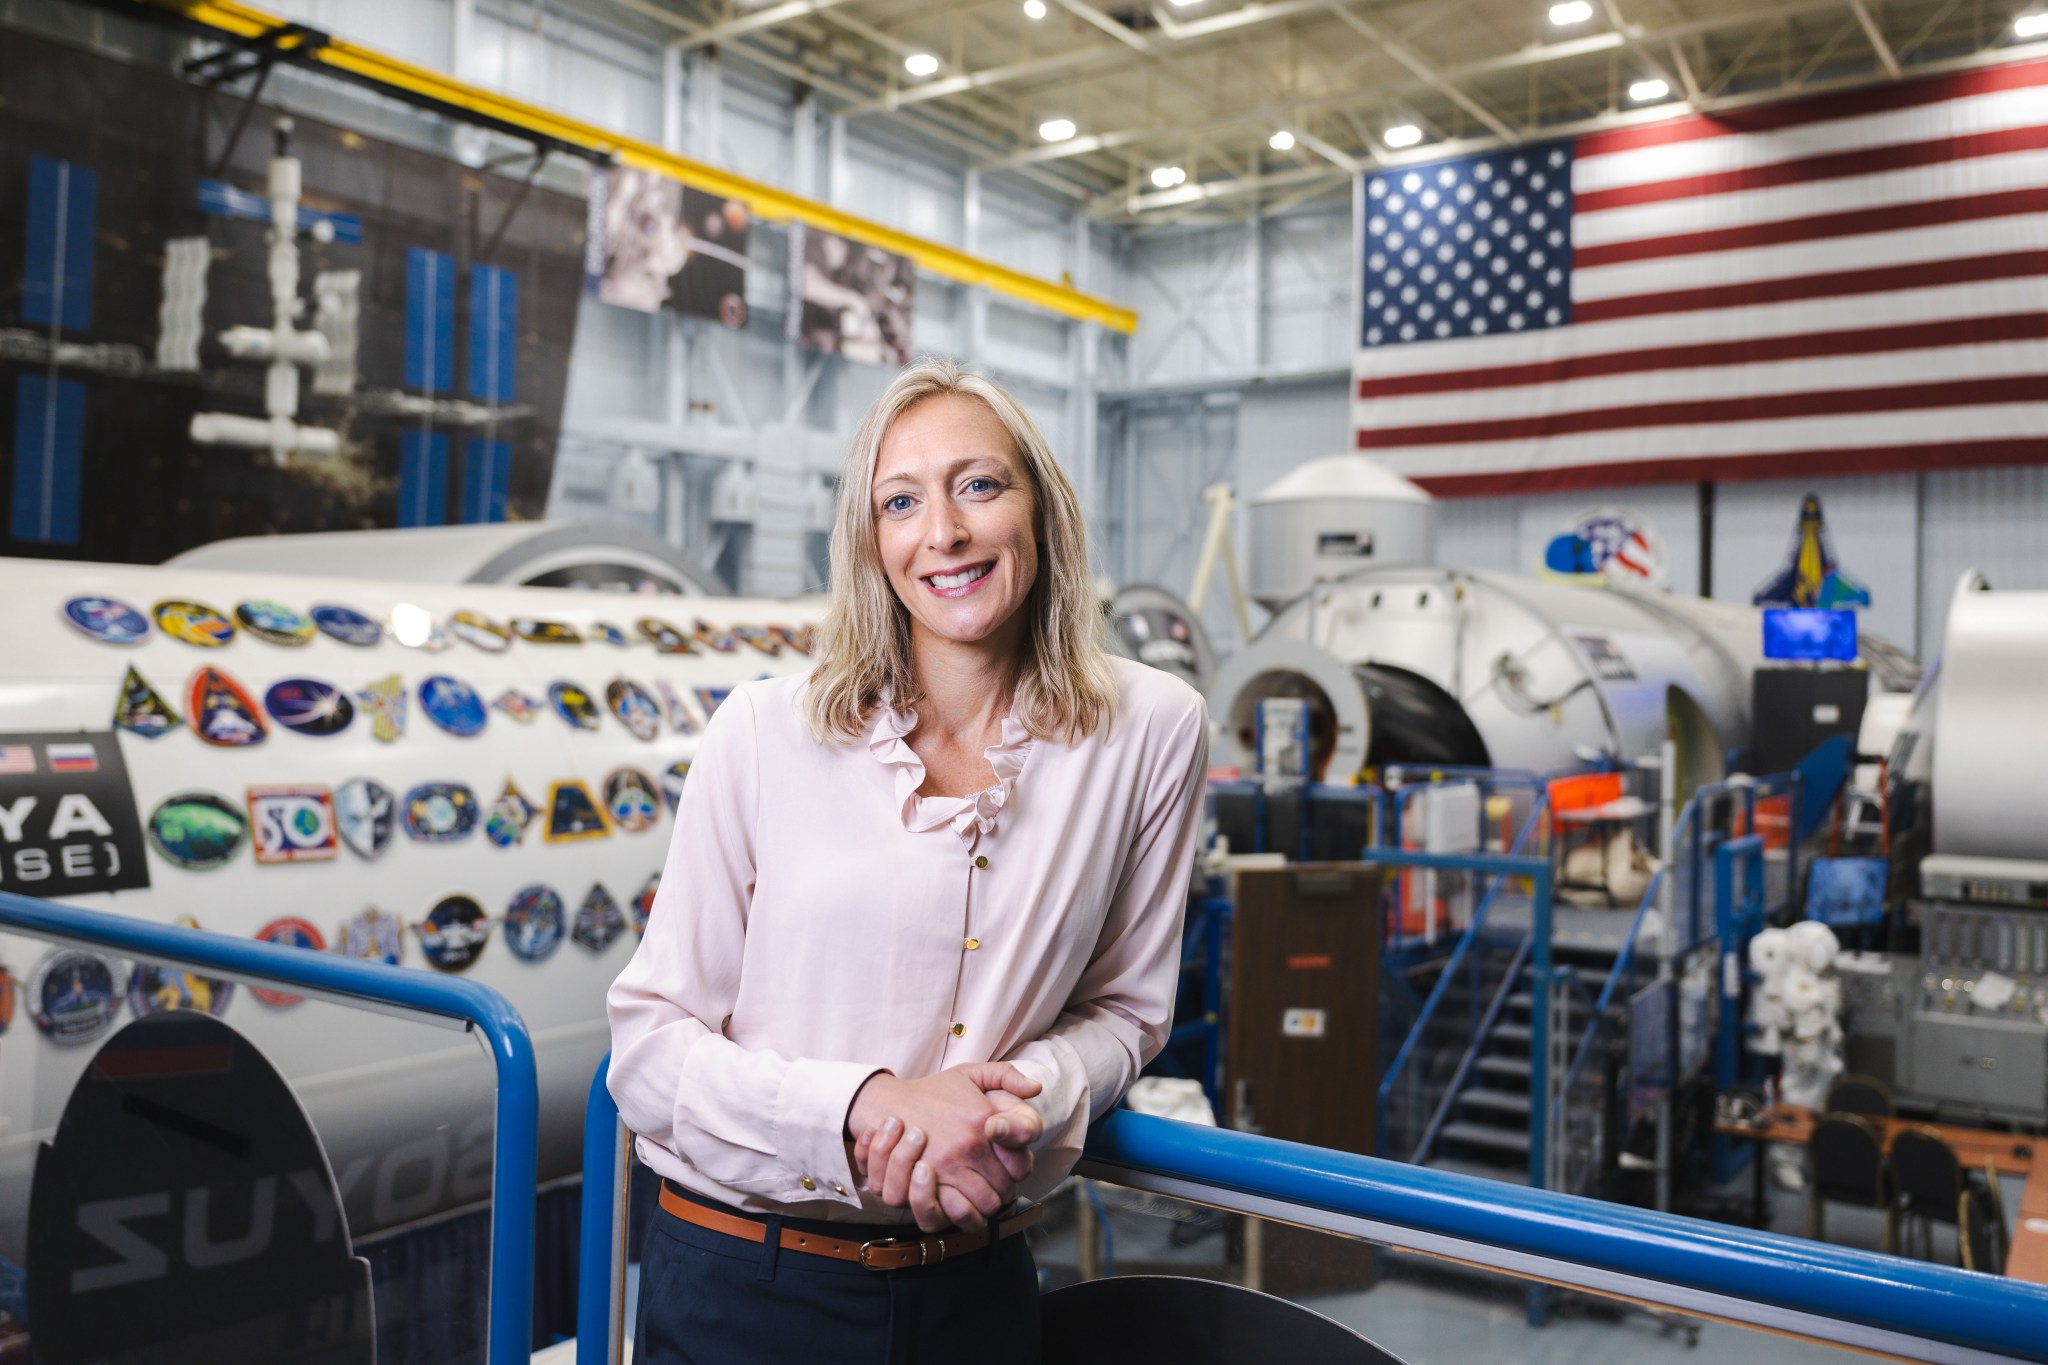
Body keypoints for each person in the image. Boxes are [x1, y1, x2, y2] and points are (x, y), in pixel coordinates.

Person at [607, 357, 1208, 1364]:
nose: (944, 534)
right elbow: (650, 1049)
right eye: (901, 501)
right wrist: (867, 1109)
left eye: (978, 485)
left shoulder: (1149, 729)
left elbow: (1128, 1013)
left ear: (1040, 511)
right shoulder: (761, 731)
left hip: (970, 1291)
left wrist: (1013, 1103)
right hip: (741, 1284)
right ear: (869, 541)